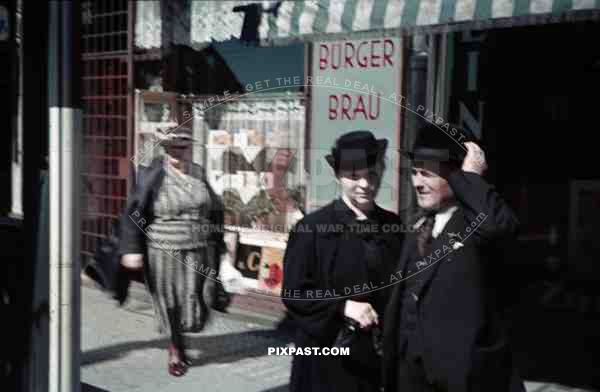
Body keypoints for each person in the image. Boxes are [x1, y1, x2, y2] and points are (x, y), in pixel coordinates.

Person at [383, 122, 524, 392]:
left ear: (455, 176)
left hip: (463, 378)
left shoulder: (476, 226)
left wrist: (470, 176)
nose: (417, 183)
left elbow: (498, 226)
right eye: (414, 173)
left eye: (427, 174)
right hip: (411, 376)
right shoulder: (417, 228)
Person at [282, 130, 405, 392]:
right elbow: (293, 294)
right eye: (353, 176)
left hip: (376, 361)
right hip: (326, 363)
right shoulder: (311, 229)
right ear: (338, 176)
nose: (364, 184)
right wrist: (342, 307)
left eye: (371, 174)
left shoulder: (393, 227)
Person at [118, 126, 239, 377]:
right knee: (170, 301)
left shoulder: (198, 172)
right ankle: (176, 347)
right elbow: (134, 211)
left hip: (199, 248)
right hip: (164, 250)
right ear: (164, 148)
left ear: (188, 148)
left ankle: (180, 336)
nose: (177, 150)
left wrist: (222, 242)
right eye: (171, 146)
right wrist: (131, 248)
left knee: (196, 299)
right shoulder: (152, 173)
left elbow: (214, 208)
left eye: (182, 145)